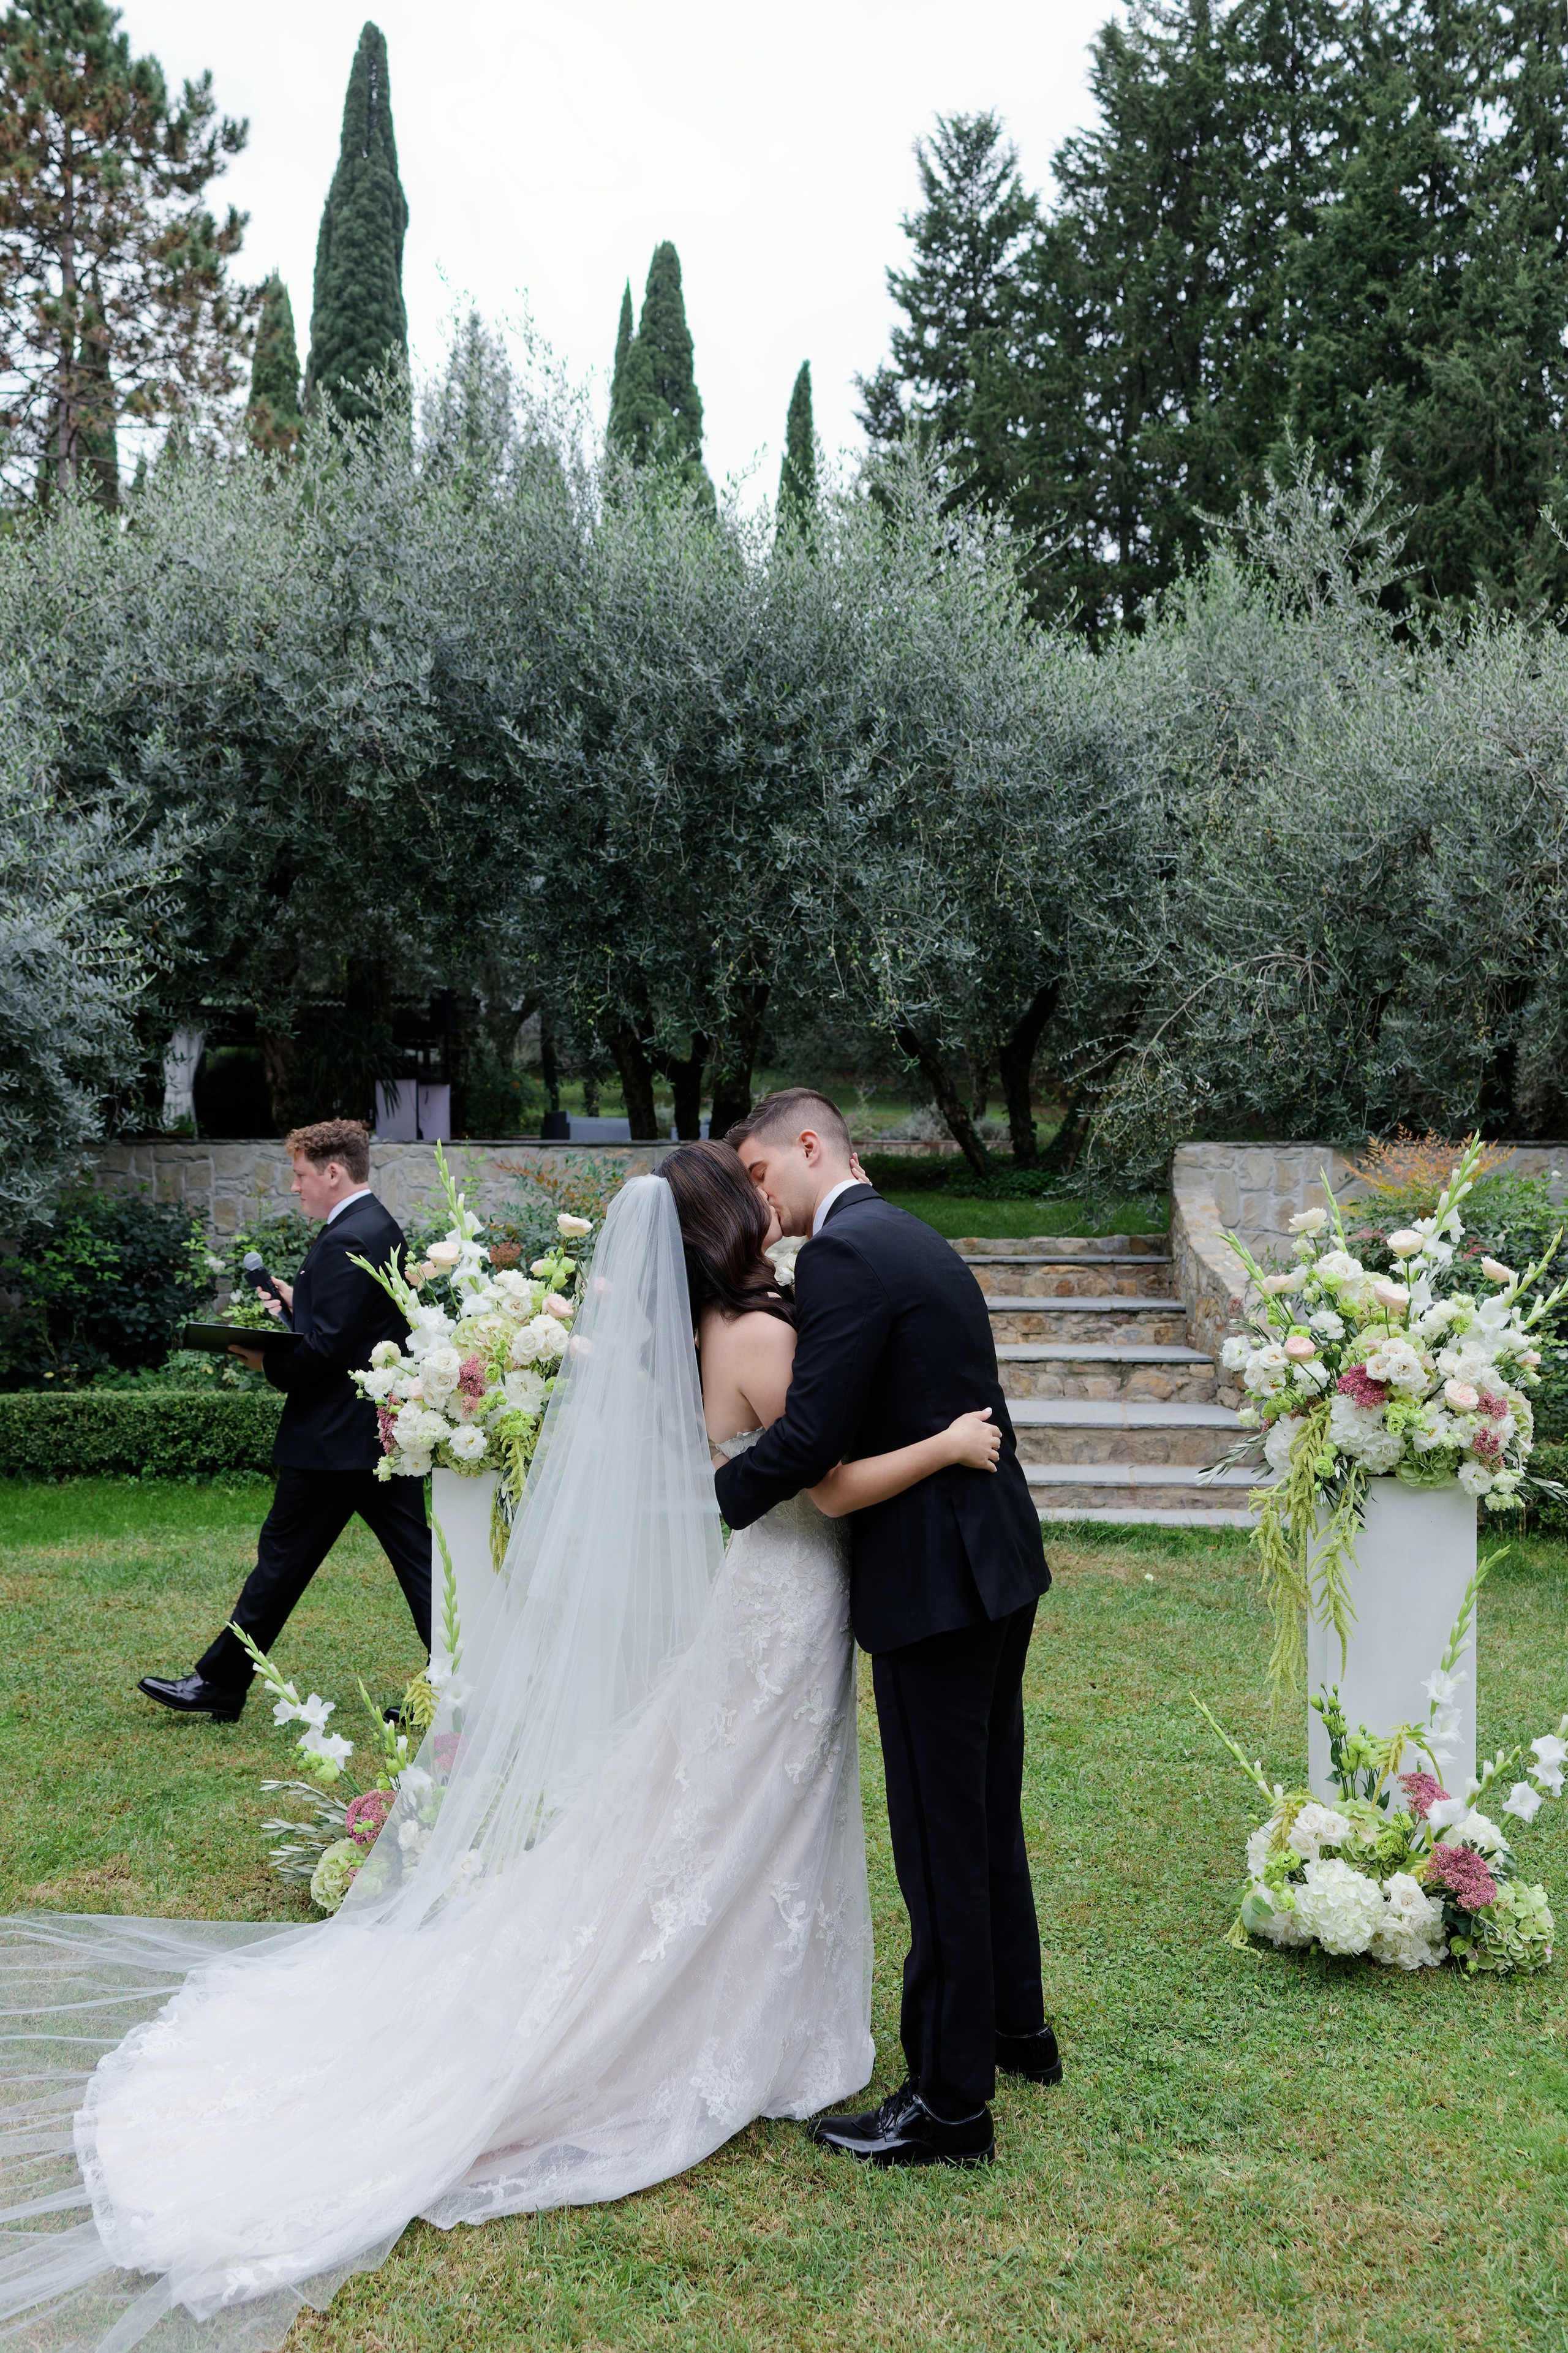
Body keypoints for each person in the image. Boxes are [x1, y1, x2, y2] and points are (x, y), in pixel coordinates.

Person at [0, 1162, 1007, 2352]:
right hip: (781, 1611)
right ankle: (744, 2025)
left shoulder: (702, 1334)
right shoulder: (754, 1336)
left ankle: (769, 2013)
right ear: (727, 1228)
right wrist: (944, 1443)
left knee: (719, 1816)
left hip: (764, 1608)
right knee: (746, 1814)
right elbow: (826, 1482)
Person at [714, 1087, 1059, 2170]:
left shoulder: (849, 1259)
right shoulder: (912, 1235)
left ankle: (951, 2105)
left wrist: (699, 1498)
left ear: (811, 1145)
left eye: (761, 1175)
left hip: (934, 1585)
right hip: (992, 1562)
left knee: (941, 1840)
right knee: (984, 1813)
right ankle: (1017, 2030)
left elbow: (813, 1437)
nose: (756, 1203)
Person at [137, 1119, 431, 1723]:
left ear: (332, 1171)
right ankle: (470, 1680)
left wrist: (262, 1355)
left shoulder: (348, 1236)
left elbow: (323, 1352)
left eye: (300, 1175)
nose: (294, 1187)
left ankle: (218, 1683)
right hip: (372, 1434)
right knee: (417, 1563)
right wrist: (302, 1305)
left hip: (335, 1439)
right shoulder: (371, 1226)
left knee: (283, 1562)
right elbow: (351, 1328)